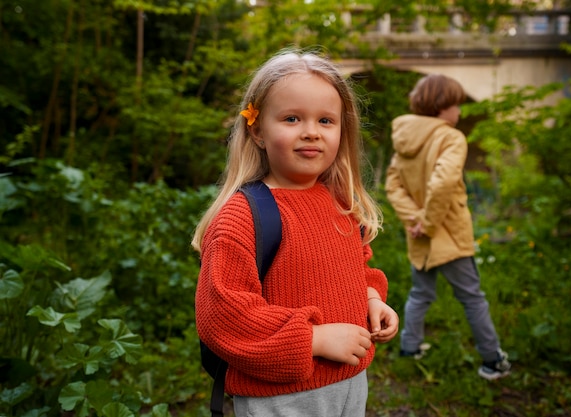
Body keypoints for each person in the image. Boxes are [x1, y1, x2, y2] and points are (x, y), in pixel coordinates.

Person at [192, 49, 399, 417]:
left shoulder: (338, 203)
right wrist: (313, 339)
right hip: (281, 396)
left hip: (351, 383)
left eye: (325, 121)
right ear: (257, 130)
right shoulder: (243, 216)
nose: (311, 133)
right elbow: (222, 314)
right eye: (291, 118)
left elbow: (355, 268)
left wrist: (371, 299)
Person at [384, 73, 511, 380]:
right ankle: (493, 361)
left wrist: (414, 220)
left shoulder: (404, 138)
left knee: (420, 292)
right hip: (448, 234)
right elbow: (443, 183)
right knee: (472, 297)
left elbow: (393, 185)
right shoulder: (451, 137)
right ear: (442, 106)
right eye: (456, 104)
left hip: (420, 235)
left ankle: (409, 348)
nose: (460, 111)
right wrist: (426, 223)